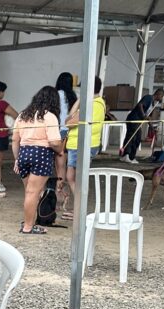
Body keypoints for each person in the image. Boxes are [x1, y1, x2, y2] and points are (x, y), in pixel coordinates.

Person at [11, 86, 64, 235]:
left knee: (29, 192)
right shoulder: (49, 116)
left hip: (24, 153)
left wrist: (17, 159)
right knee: (33, 192)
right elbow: (54, 142)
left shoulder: (22, 115)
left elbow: (15, 140)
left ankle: (30, 222)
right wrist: (60, 149)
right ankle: (28, 226)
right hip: (41, 154)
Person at [63, 76, 107, 220]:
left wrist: (80, 102)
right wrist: (80, 100)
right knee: (71, 177)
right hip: (78, 144)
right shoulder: (95, 103)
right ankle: (78, 209)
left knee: (76, 178)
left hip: (81, 144)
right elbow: (70, 119)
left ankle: (80, 211)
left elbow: (69, 121)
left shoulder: (92, 105)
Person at [121, 89, 164, 164]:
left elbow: (148, 117)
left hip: (138, 121)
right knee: (132, 137)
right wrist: (143, 115)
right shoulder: (148, 97)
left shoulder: (153, 104)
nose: (161, 98)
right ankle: (126, 155)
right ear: (158, 94)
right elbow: (140, 105)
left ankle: (132, 157)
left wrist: (151, 127)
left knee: (138, 138)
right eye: (162, 96)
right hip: (134, 119)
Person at [54, 73, 78, 202]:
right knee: (65, 162)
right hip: (70, 130)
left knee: (59, 163)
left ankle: (60, 191)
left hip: (59, 130)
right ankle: (63, 189)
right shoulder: (74, 96)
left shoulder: (57, 94)